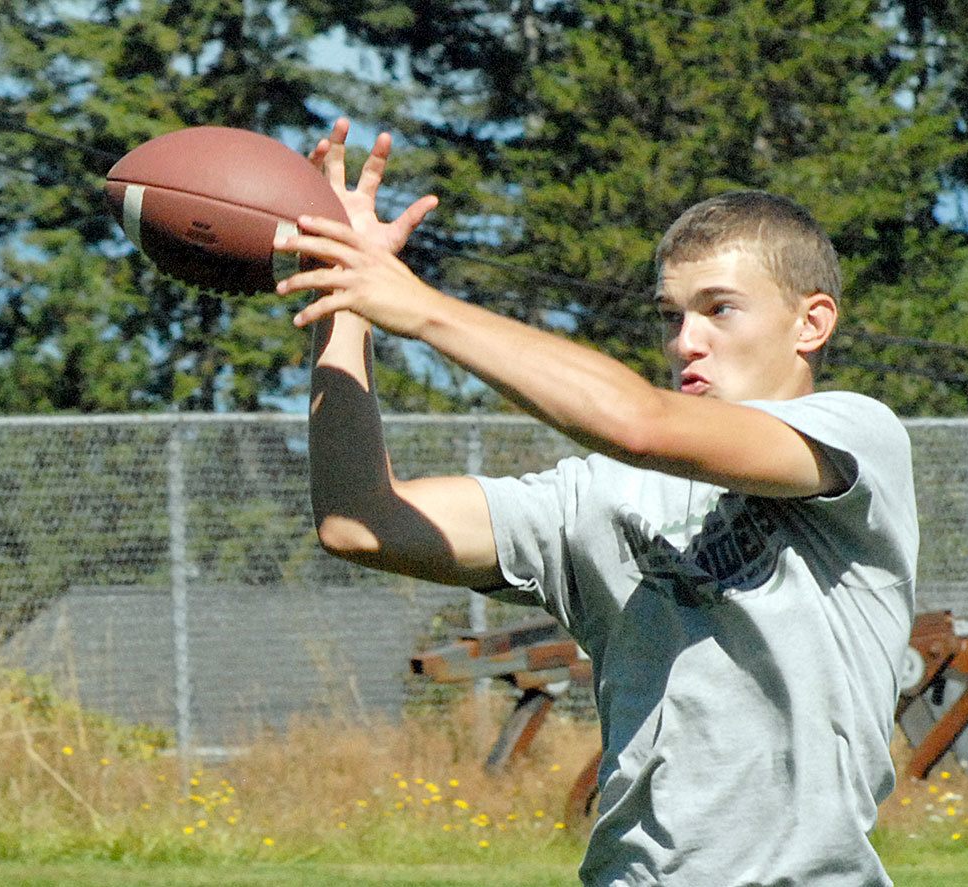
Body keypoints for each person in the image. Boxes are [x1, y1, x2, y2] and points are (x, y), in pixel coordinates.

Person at [277, 119, 918, 887]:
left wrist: (416, 304)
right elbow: (360, 521)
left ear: (811, 323)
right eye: (671, 315)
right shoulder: (594, 496)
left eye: (720, 309)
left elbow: (639, 423)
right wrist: (344, 295)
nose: (686, 341)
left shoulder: (853, 439)